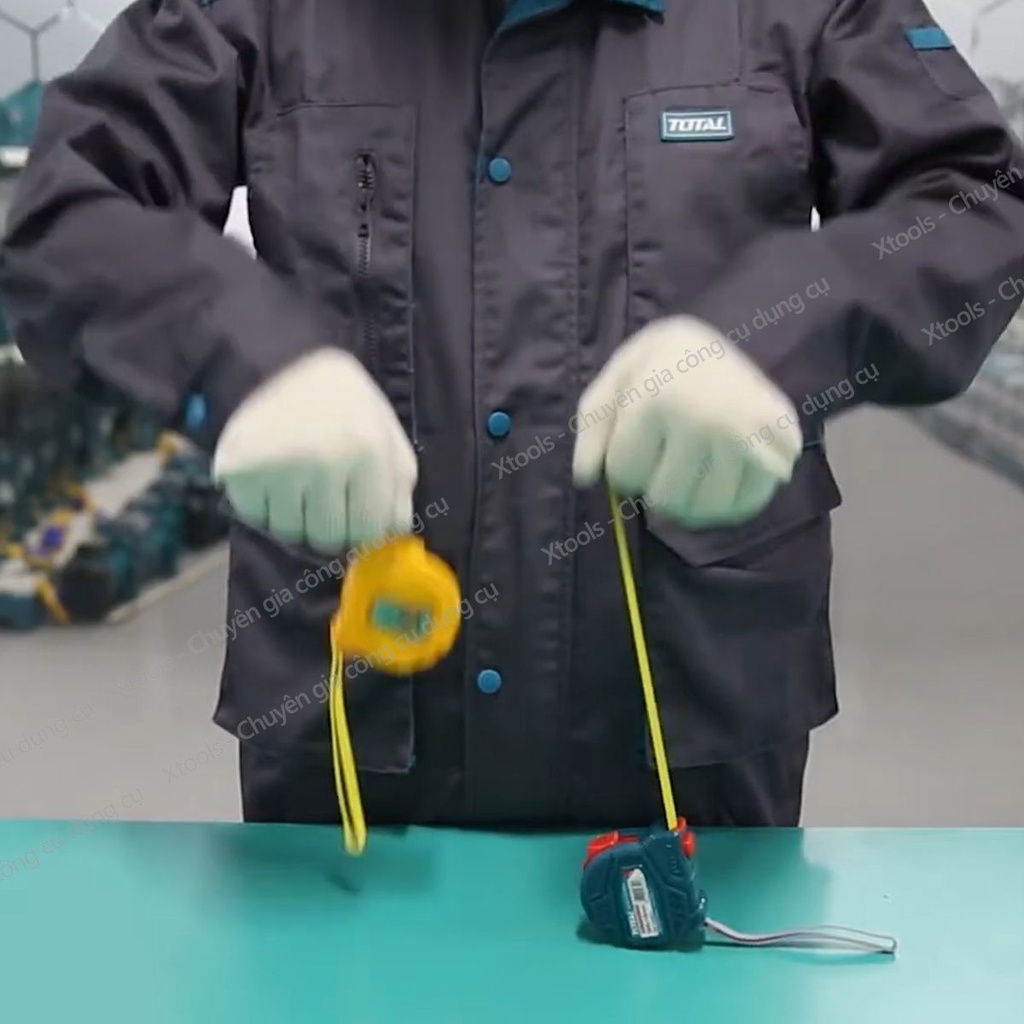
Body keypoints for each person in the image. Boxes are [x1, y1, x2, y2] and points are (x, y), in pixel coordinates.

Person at [2, 0, 1023, 830]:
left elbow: (972, 201)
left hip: (691, 738)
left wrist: (781, 339)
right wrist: (241, 356)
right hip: (354, 737)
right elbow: (67, 214)